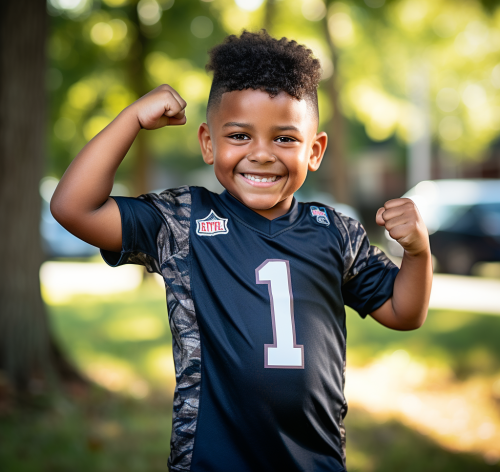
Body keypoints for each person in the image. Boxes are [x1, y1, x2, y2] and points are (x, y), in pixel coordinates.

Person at [51, 30, 432, 472]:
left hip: (316, 461)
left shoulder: (336, 232)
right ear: (209, 143)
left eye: (285, 139)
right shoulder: (183, 221)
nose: (262, 154)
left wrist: (418, 253)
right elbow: (73, 207)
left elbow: (404, 313)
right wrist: (132, 118)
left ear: (315, 150)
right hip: (213, 459)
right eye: (239, 136)